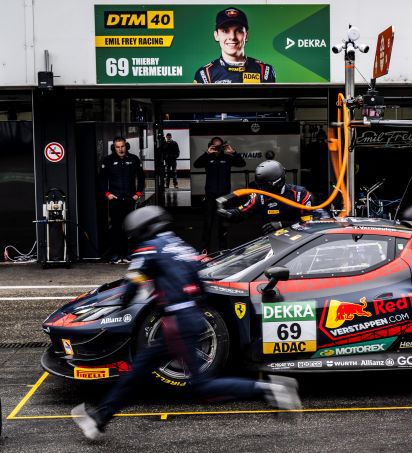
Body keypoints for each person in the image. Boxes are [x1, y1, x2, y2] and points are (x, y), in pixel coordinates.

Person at [71, 206, 301, 441]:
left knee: (201, 387)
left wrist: (116, 309)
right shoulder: (182, 246)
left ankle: (270, 390)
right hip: (192, 318)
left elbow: (130, 289)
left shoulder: (148, 249)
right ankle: (99, 420)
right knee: (138, 372)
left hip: (178, 324)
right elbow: (201, 284)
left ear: (142, 230)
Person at [218, 159, 329, 234]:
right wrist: (227, 213)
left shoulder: (300, 195)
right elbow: (241, 212)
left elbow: (310, 223)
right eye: (259, 186)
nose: (261, 189)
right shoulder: (260, 197)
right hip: (272, 241)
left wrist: (282, 225)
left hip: (299, 240)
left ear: (276, 182)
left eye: (264, 186)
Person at [194, 7, 276, 84]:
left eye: (239, 31)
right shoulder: (205, 73)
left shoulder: (264, 70)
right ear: (216, 35)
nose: (232, 37)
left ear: (246, 36)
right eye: (225, 31)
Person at [194, 136, 246, 252]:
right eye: (214, 146)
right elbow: (196, 164)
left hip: (224, 197)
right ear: (210, 146)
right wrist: (207, 153)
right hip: (210, 196)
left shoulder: (227, 158)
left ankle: (223, 249)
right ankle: (205, 249)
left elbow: (242, 163)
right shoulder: (207, 158)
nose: (217, 148)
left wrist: (234, 152)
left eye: (219, 146)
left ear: (222, 146)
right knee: (208, 223)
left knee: (223, 223)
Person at [100, 136, 145, 263]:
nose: (120, 149)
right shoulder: (108, 160)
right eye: (117, 147)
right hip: (115, 199)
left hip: (130, 199)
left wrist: (138, 193)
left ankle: (129, 253)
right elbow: (102, 179)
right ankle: (116, 254)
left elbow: (141, 178)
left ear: (127, 146)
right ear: (113, 147)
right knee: (116, 228)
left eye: (122, 146)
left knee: (130, 227)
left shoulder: (134, 159)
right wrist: (107, 193)